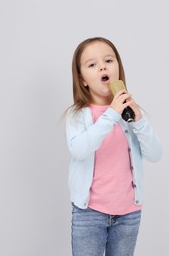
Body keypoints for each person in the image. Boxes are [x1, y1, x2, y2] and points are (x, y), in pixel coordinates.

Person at [65, 37, 162, 256]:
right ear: (83, 81)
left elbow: (155, 153)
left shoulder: (130, 114)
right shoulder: (78, 115)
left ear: (118, 68)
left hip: (128, 215)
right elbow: (79, 150)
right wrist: (111, 114)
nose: (102, 66)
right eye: (92, 64)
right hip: (89, 214)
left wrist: (139, 122)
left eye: (109, 60)